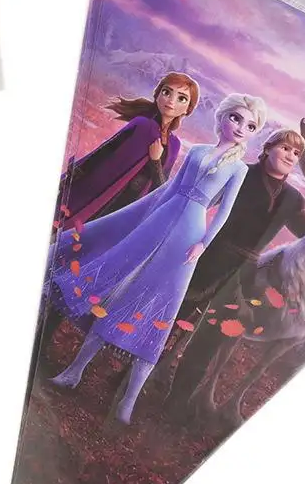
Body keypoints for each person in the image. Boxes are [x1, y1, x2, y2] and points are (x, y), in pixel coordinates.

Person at [46, 94, 268, 423]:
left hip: (189, 234)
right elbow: (169, 189)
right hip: (161, 219)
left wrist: (203, 244)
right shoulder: (197, 151)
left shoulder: (238, 168)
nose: (240, 128)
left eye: (250, 126)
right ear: (222, 117)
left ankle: (128, 401)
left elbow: (223, 212)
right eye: (236, 118)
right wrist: (141, 218)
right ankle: (74, 372)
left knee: (161, 303)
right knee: (119, 289)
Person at [159, 128, 305, 412]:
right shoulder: (240, 173)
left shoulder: (293, 198)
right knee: (172, 318)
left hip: (244, 275)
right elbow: (204, 198)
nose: (290, 156)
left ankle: (176, 403)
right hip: (210, 259)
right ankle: (131, 377)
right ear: (268, 148)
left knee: (210, 339)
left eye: (296, 153)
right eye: (285, 148)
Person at [54, 71, 200, 229]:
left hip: (129, 206)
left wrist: (156, 161)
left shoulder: (175, 144)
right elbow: (106, 151)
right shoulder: (142, 125)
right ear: (157, 95)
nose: (171, 100)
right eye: (166, 92)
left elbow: (160, 187)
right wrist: (72, 175)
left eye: (181, 98)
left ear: (187, 109)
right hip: (103, 191)